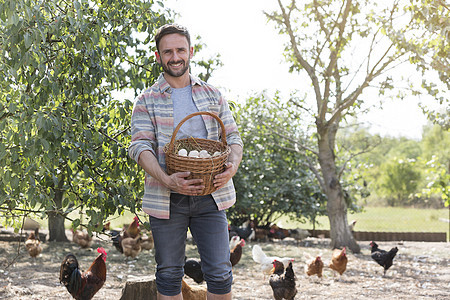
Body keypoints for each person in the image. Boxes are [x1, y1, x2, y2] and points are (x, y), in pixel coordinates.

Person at [128, 23, 243, 300]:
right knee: (168, 274)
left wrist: (232, 167)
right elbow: (139, 147)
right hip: (167, 197)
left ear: (190, 52)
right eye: (167, 52)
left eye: (180, 49)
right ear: (158, 57)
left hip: (211, 195)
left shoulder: (212, 95)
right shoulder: (146, 100)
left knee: (219, 273)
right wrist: (166, 179)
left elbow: (234, 139)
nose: (175, 56)